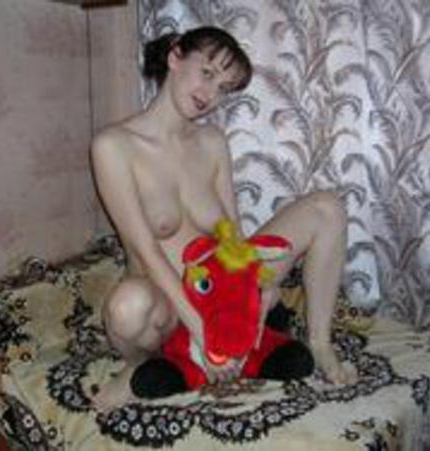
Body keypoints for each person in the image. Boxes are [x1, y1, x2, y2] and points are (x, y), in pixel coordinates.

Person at [91, 26, 356, 411]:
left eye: (223, 88)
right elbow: (146, 250)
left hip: (223, 292)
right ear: (175, 56)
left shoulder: (212, 141)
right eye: (207, 73)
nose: (210, 95)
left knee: (327, 207)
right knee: (126, 308)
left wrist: (259, 285)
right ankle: (143, 367)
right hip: (168, 306)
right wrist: (203, 332)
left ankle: (319, 342)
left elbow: (233, 237)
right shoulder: (113, 146)